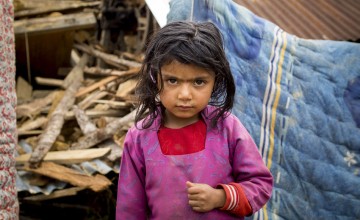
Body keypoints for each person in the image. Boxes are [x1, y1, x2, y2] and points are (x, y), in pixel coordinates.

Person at [116, 21, 273, 219]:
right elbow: (129, 209)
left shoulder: (227, 128)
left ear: (215, 81)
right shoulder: (140, 138)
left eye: (199, 82)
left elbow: (260, 184)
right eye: (172, 80)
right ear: (155, 76)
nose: (184, 94)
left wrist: (220, 197)